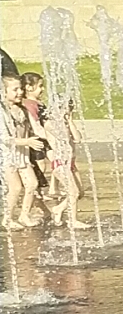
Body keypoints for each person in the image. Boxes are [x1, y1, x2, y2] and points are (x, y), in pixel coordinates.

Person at [21, 73, 86, 228]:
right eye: (40, 86)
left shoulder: (60, 120)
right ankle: (70, 219)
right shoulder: (47, 121)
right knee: (73, 192)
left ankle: (57, 209)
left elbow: (77, 138)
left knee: (79, 192)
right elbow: (44, 130)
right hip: (58, 161)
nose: (43, 89)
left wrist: (69, 121)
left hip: (69, 162)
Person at [1, 73, 45, 228]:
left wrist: (55, 138)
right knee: (15, 188)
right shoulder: (2, 112)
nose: (20, 92)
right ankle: (7, 218)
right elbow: (4, 139)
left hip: (22, 156)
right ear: (3, 92)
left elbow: (37, 129)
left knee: (32, 184)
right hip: (8, 156)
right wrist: (27, 142)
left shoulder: (23, 110)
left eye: (20, 88)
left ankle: (24, 216)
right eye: (15, 90)